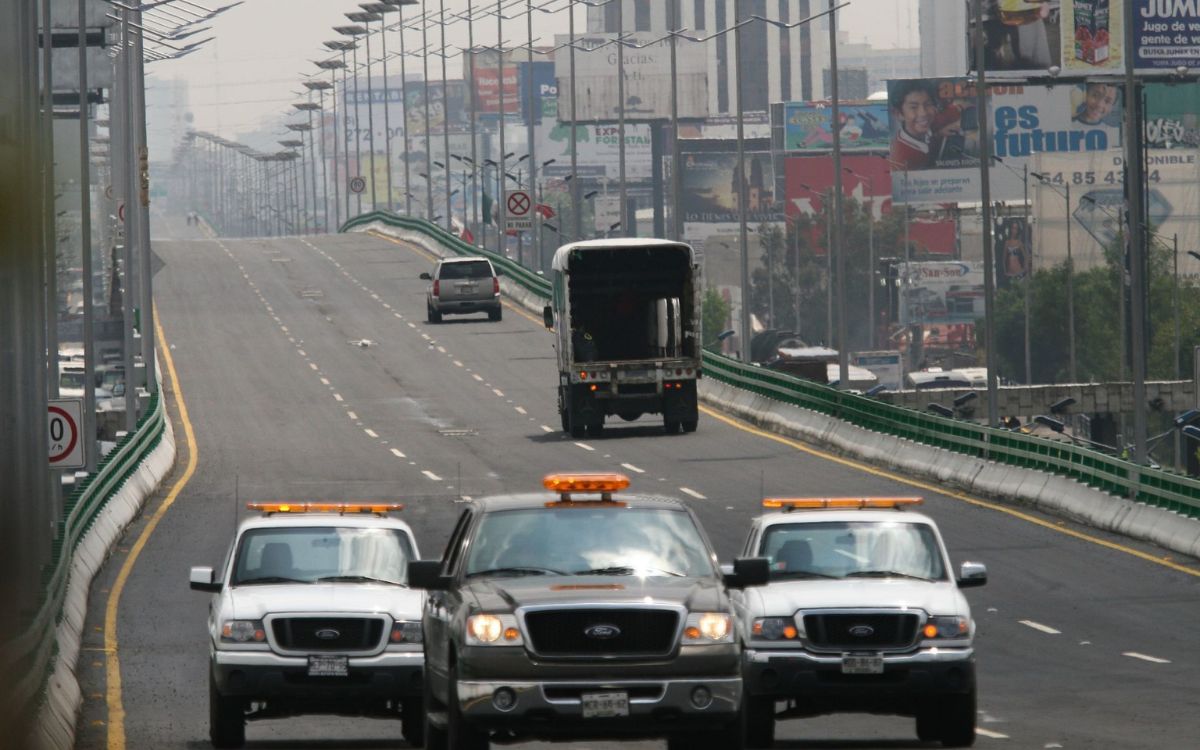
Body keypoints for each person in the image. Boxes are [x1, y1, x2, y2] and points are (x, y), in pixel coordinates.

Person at [888, 81, 964, 171]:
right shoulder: (900, 158)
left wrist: (938, 134)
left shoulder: (929, 124)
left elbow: (958, 109)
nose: (923, 113)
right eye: (913, 107)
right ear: (898, 114)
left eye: (928, 104)